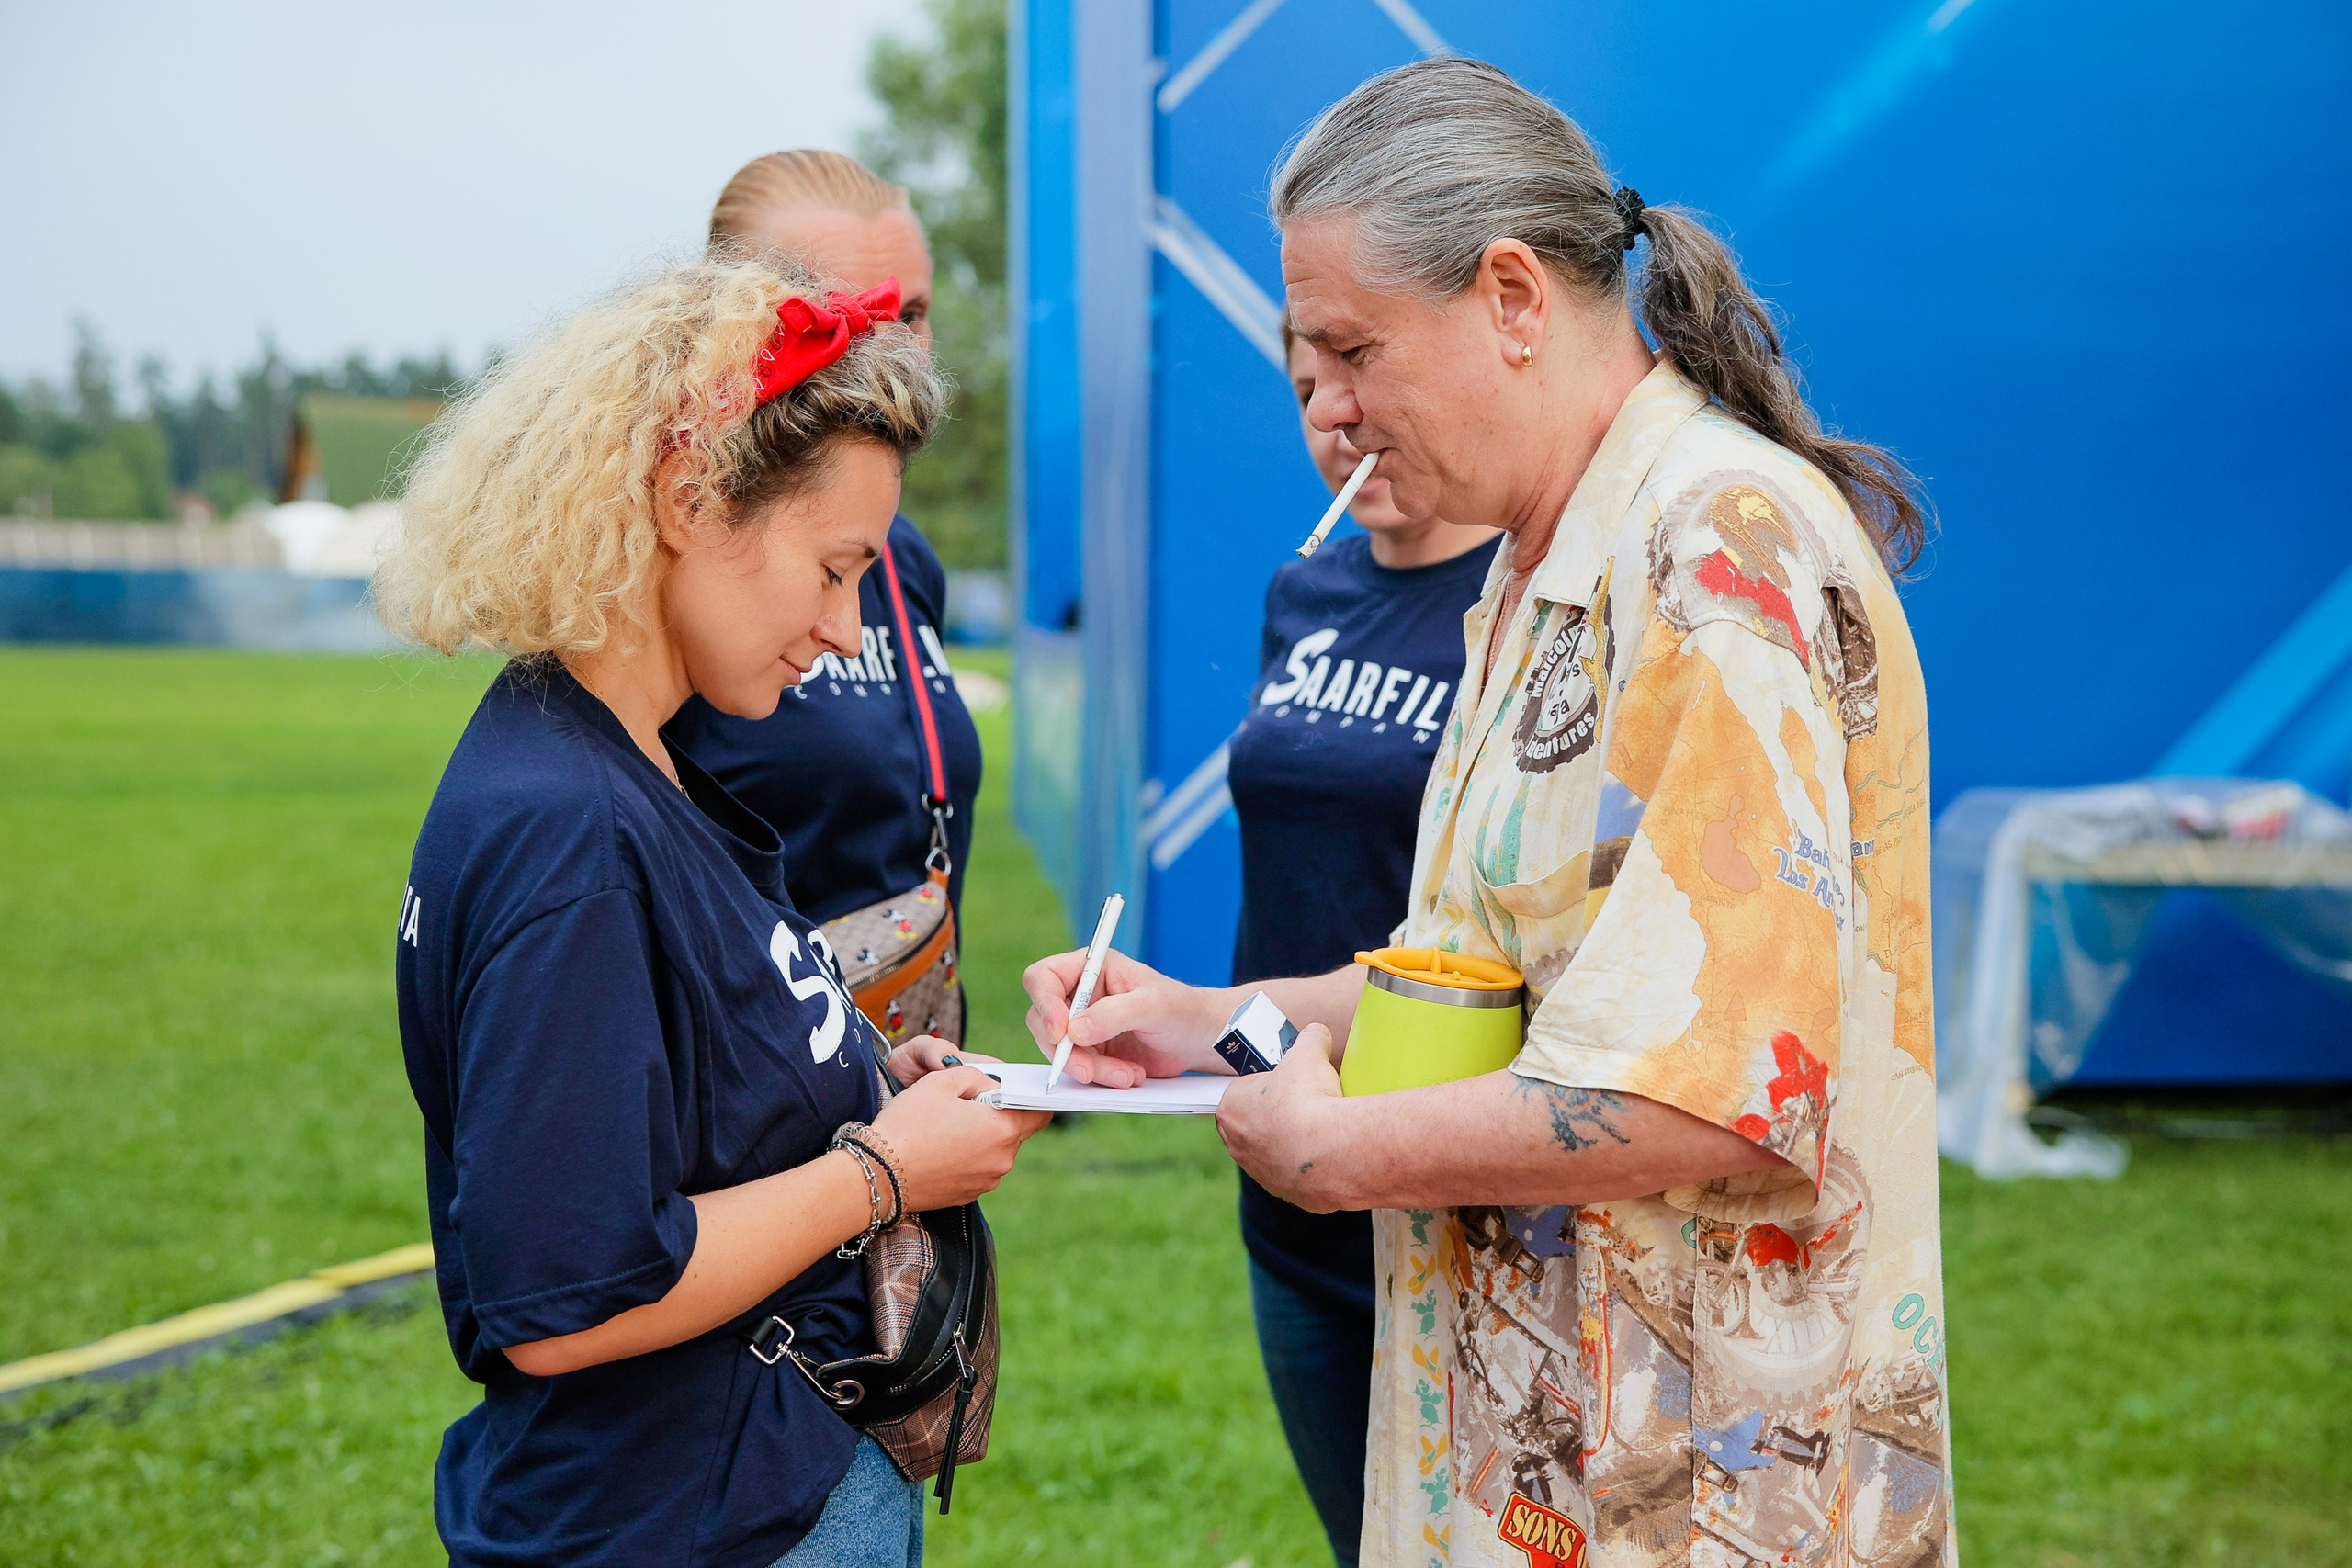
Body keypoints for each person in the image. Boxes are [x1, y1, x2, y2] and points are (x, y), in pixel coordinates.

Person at [1023, 58, 1950, 1567]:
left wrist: (1342, 1154)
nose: (1327, 404)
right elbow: (1493, 981)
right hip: (1542, 1452)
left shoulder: (1715, 552)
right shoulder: (1545, 562)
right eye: (1307, 360)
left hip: (1695, 1484)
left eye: (1352, 348)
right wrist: (1202, 1020)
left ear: (1513, 295)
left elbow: (1709, 1086)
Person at [379, 254, 1049, 1568]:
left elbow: (676, 1097)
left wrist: (867, 1079)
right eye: (835, 568)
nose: (849, 628)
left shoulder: (625, 759)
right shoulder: (568, 829)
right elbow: (568, 1299)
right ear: (687, 499)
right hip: (693, 1519)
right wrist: (886, 1171)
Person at [1227, 325, 1498, 1567]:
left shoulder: (1520, 601)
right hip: (1291, 1186)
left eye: (1359, 379)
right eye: (1304, 392)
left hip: (1448, 1171)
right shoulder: (1305, 593)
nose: (1335, 418)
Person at [667, 152, 982, 1045]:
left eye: (910, 314)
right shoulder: (667, 567)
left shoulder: (904, 559)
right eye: (848, 313)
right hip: (751, 1085)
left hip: (906, 1076)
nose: (894, 351)